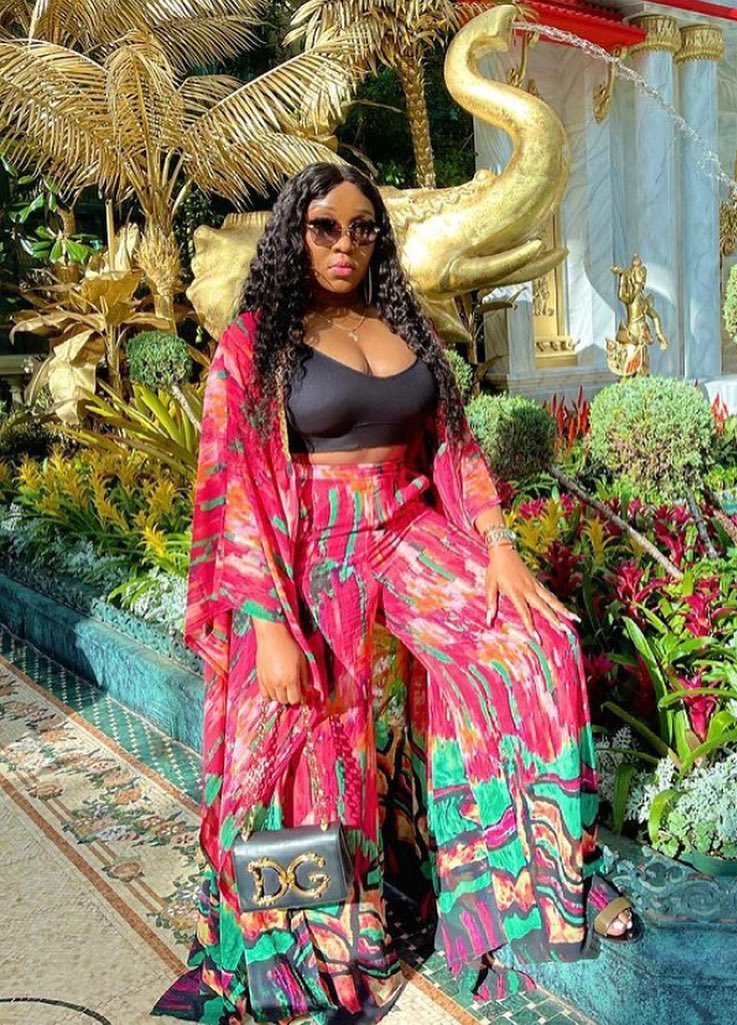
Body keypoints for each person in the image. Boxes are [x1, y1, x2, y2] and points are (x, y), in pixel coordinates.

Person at [153, 162, 638, 1025]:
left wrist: (499, 547)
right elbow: (234, 482)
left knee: (536, 645)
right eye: (325, 227)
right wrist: (266, 619)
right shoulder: (257, 341)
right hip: (311, 553)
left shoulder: (404, 327)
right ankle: (321, 940)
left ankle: (549, 870)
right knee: (313, 734)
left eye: (363, 228)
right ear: (293, 233)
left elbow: (453, 447)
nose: (346, 245)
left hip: (412, 533)